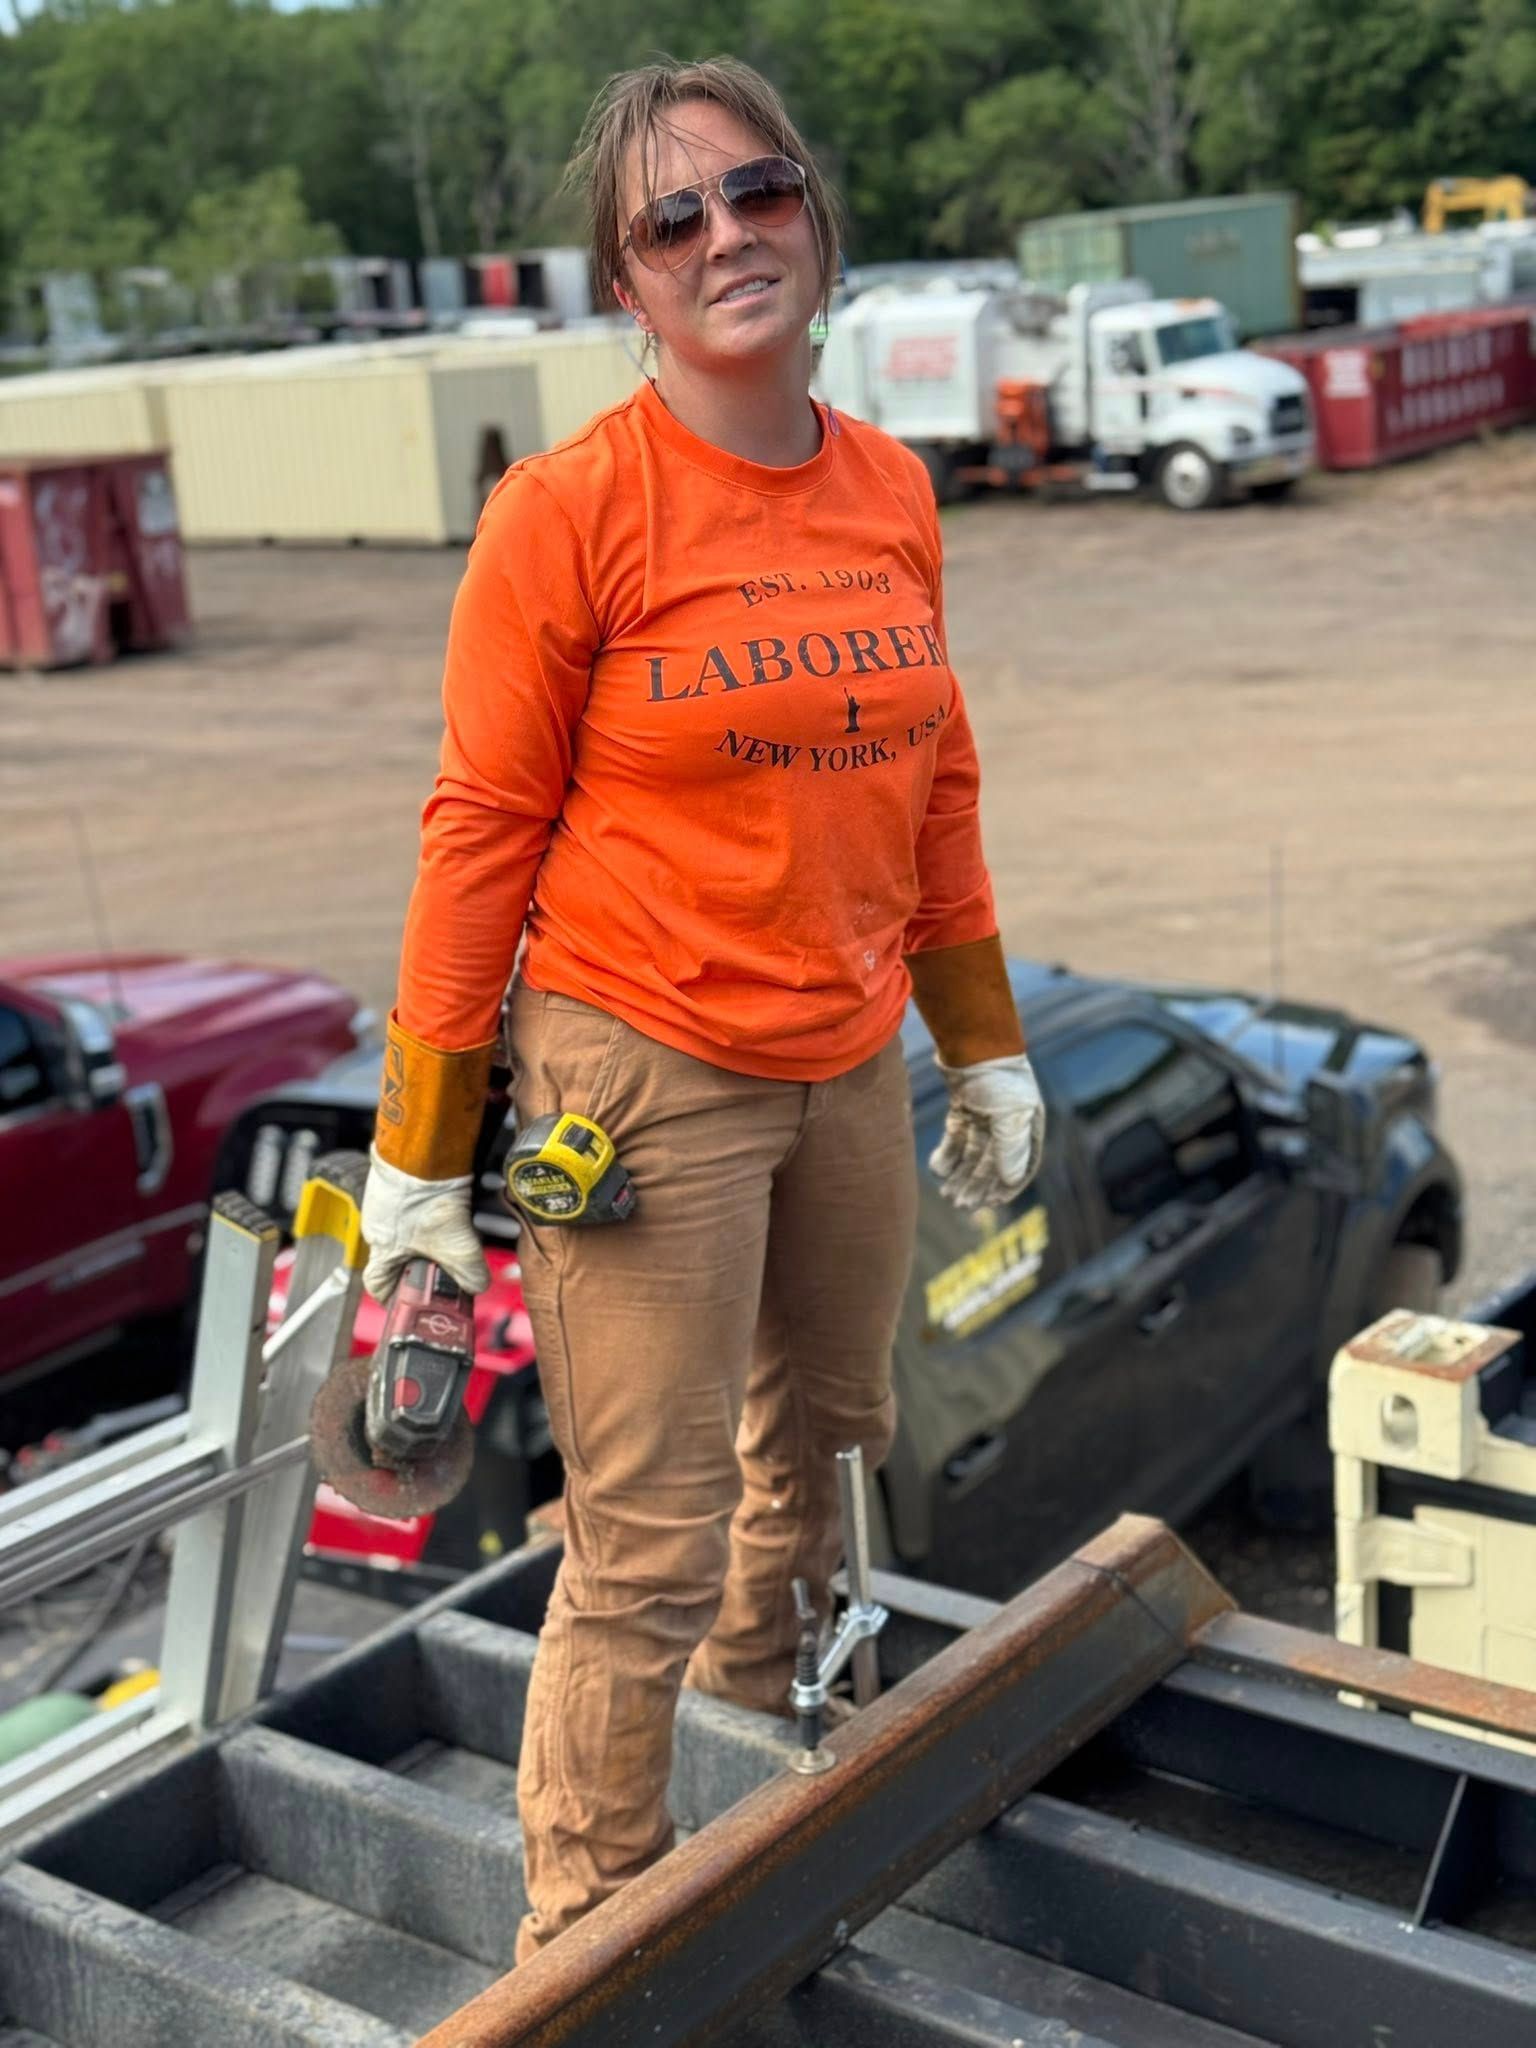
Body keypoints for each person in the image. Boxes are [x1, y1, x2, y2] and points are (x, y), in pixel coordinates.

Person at [359, 55, 1046, 1960]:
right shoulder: (567, 516)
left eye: (758, 193)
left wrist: (974, 1031)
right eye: (675, 218)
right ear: (628, 282)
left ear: (815, 221)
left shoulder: (891, 484)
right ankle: (592, 1935)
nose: (726, 235)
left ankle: (765, 1757)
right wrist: (419, 1162)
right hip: (639, 1072)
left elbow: (938, 776)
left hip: (843, 1058)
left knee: (824, 1432)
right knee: (641, 1540)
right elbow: (479, 828)